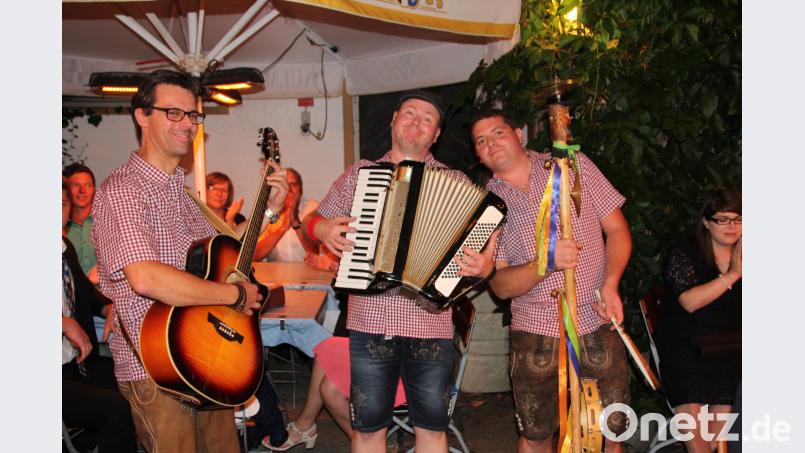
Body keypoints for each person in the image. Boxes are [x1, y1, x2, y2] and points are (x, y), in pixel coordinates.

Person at [91, 69, 289, 453]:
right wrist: (231, 296)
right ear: (142, 115)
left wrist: (269, 212)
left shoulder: (184, 197)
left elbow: (233, 255)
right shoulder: (123, 192)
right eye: (174, 112)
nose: (188, 124)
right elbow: (146, 278)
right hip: (155, 368)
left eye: (194, 115)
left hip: (207, 354)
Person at [302, 90, 495, 453]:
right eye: (409, 113)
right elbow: (309, 223)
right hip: (371, 324)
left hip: (430, 326)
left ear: (435, 135)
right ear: (393, 119)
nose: (416, 122)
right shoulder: (359, 175)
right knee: (369, 429)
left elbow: (487, 244)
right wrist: (321, 229)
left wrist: (486, 266)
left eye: (427, 119)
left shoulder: (457, 184)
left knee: (432, 429)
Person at [470, 109, 632, 453]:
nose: (490, 144)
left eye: (497, 133)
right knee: (536, 435)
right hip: (534, 331)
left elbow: (617, 230)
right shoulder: (486, 206)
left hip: (595, 316)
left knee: (611, 432)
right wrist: (545, 263)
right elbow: (499, 286)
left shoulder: (573, 167)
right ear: (478, 155)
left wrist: (611, 283)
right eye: (480, 141)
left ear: (518, 133)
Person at [655, 191, 741, 452]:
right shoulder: (685, 253)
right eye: (722, 220)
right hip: (684, 349)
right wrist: (734, 274)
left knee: (716, 444)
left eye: (738, 219)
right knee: (699, 445)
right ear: (706, 222)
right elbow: (690, 302)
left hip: (727, 351)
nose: (732, 227)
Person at [62, 180, 138, 453]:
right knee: (117, 411)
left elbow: (85, 291)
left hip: (78, 363)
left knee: (135, 383)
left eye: (61, 204)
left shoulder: (64, 247)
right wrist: (62, 322)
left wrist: (108, 307)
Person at [254, 168, 336, 272]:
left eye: (293, 184)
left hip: (310, 276)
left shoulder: (314, 209)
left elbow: (317, 254)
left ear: (300, 189)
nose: (289, 189)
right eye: (284, 184)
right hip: (277, 278)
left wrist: (296, 222)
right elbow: (254, 255)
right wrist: (282, 228)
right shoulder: (270, 212)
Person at [64, 163, 100, 285]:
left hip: (108, 299)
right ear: (65, 190)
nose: (82, 190)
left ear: (94, 190)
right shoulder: (60, 229)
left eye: (88, 185)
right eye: (76, 185)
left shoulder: (107, 223)